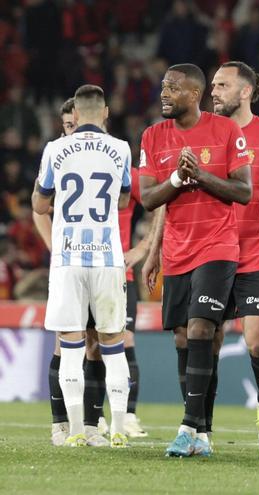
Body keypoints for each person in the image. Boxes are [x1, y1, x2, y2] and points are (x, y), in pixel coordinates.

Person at [139, 63, 252, 458]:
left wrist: (201, 176)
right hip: (177, 251)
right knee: (185, 338)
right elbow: (148, 198)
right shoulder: (153, 136)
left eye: (172, 88)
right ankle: (202, 432)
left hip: (217, 248)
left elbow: (244, 191)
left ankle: (187, 426)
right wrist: (176, 179)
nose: (164, 94)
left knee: (203, 329)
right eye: (163, 87)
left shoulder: (226, 132)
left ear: (193, 94)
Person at [36, 98, 149, 446]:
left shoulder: (56, 150)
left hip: (70, 260)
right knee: (113, 344)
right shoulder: (120, 150)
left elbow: (40, 204)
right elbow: (126, 200)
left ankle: (77, 430)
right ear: (103, 113)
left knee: (73, 346)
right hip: (108, 259)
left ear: (77, 115)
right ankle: (114, 429)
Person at [210, 61, 259, 452]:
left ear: (244, 91)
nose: (214, 91)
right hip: (212, 252)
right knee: (208, 340)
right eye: (213, 84)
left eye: (222, 85)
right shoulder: (205, 131)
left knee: (258, 343)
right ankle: (200, 426)